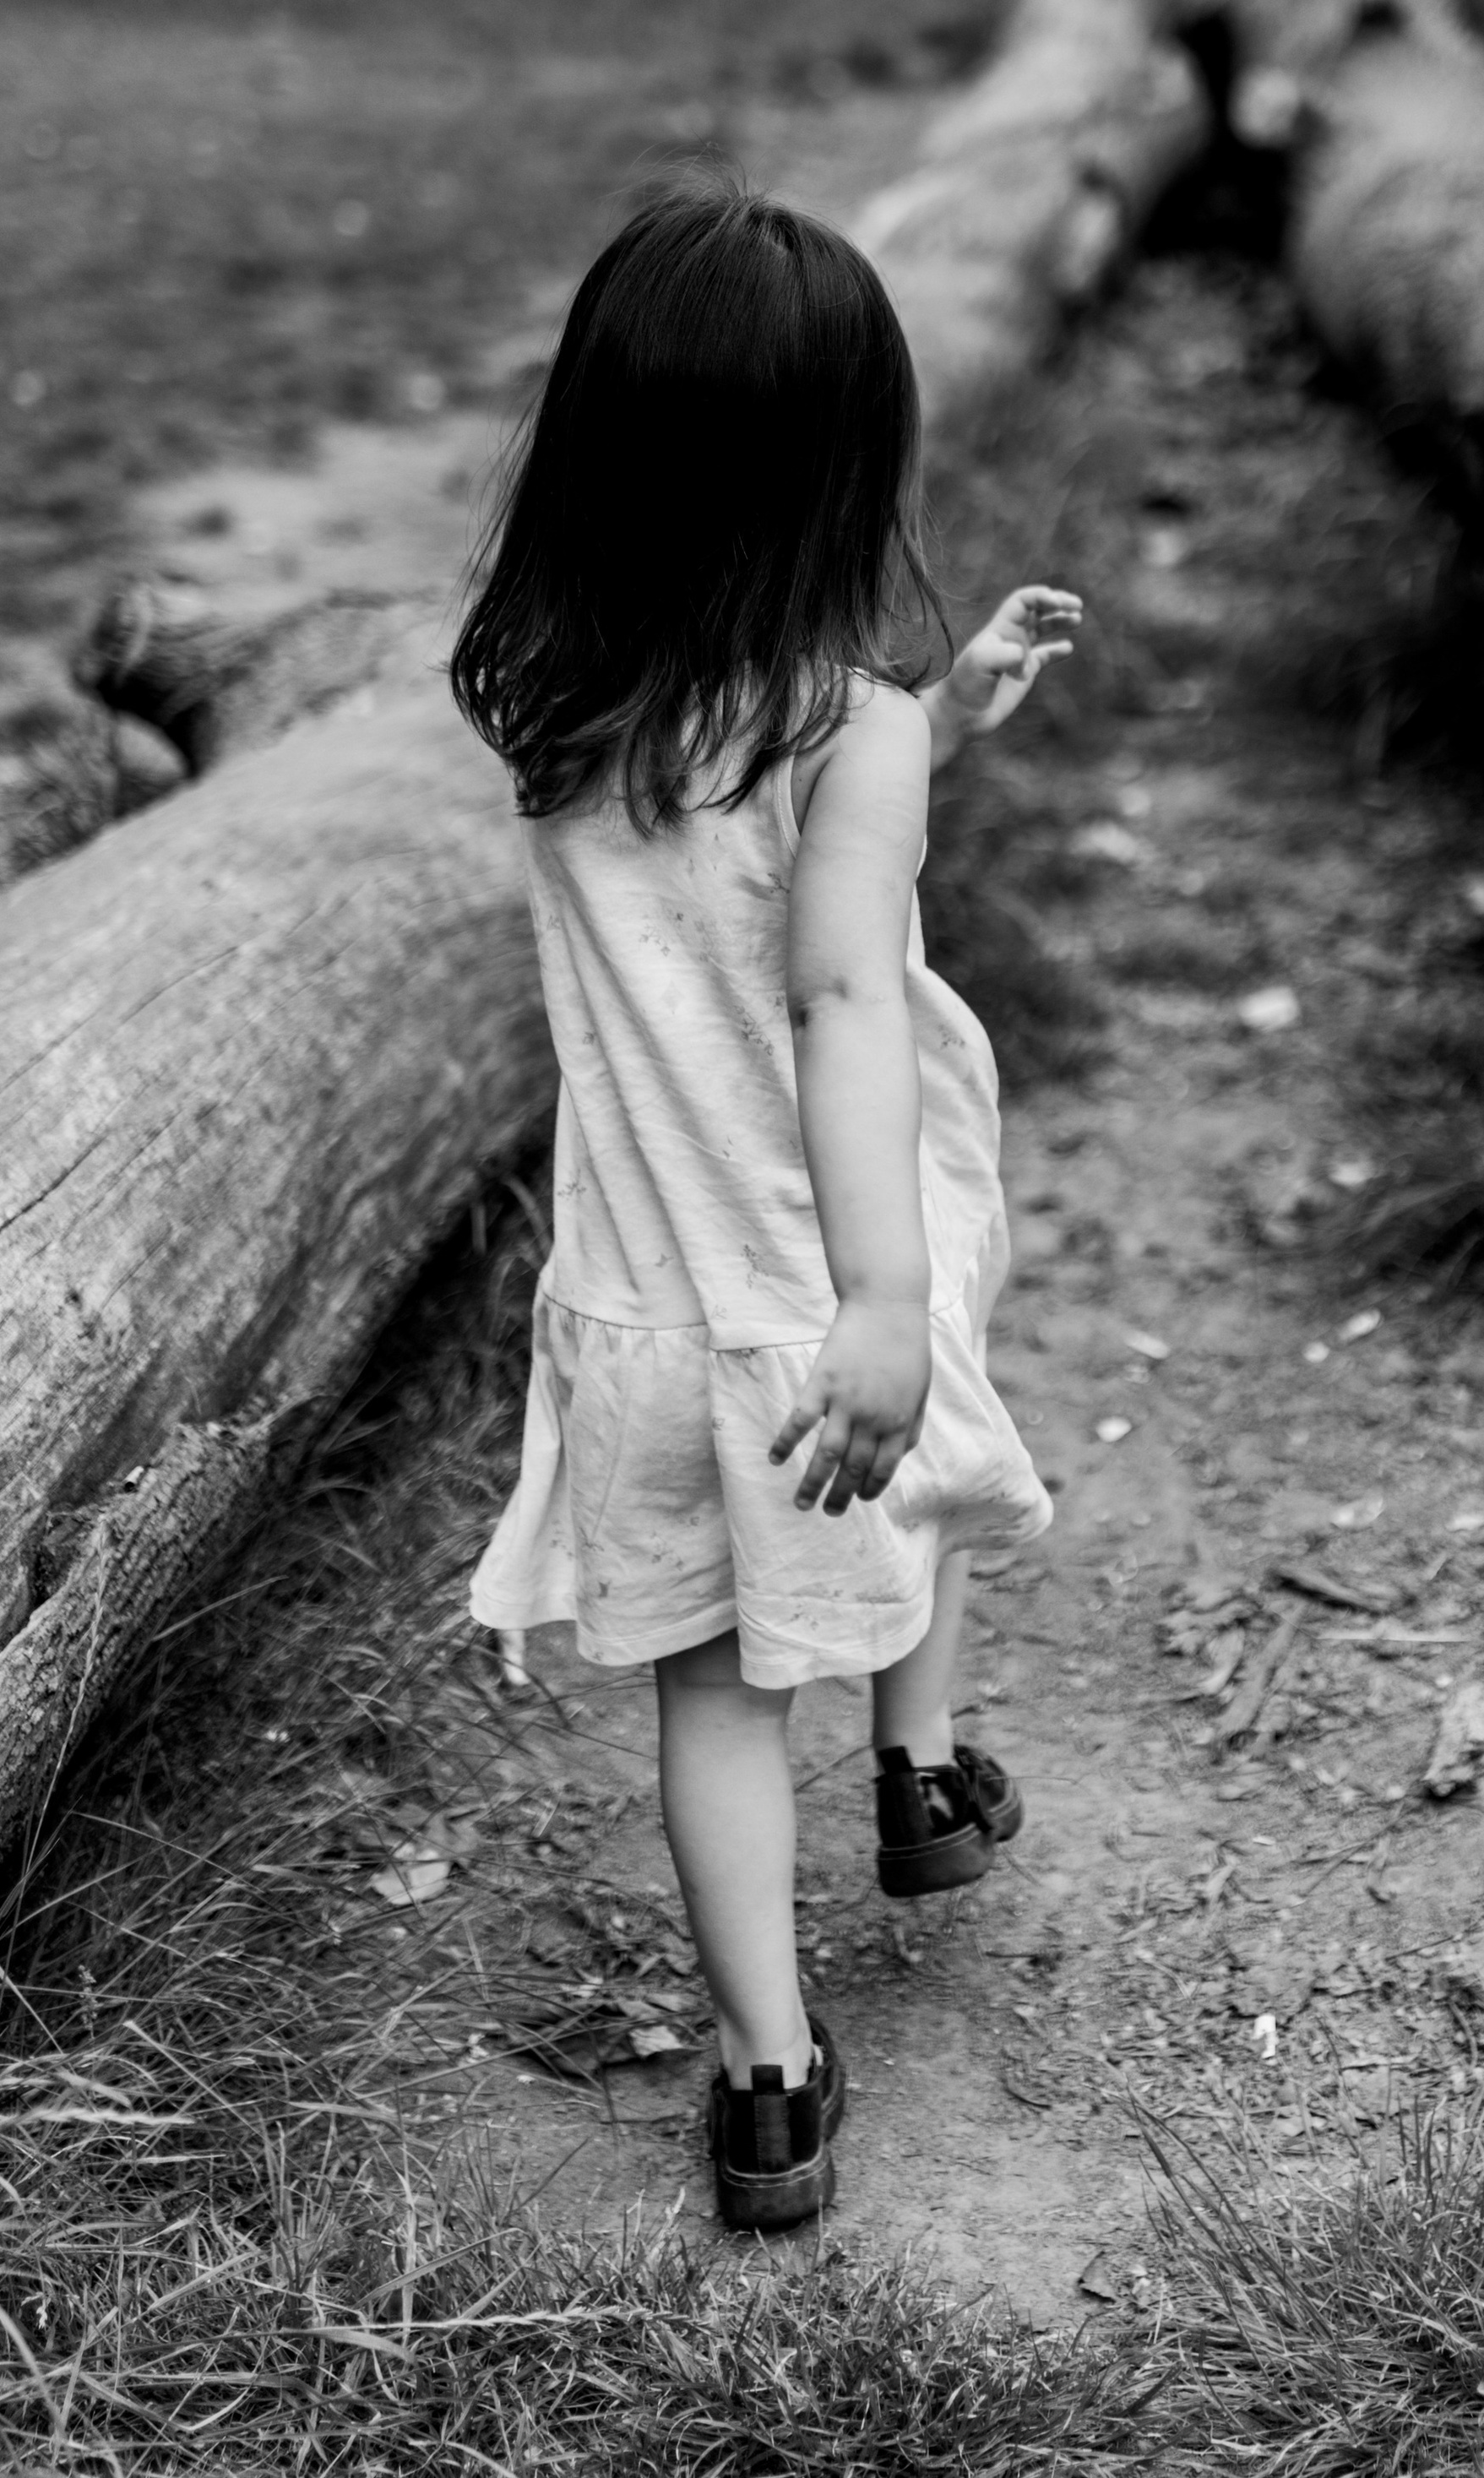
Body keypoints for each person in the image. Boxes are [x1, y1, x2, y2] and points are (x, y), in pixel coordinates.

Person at [451, 183, 1065, 2230]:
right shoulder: (844, 723)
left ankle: (770, 2080)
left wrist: (943, 722)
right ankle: (919, 1754)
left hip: (643, 1302)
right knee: (939, 1451)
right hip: (825, 1267)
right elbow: (824, 971)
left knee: (712, 1700)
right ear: (841, 466)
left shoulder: (556, 704)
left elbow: (735, 880)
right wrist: (884, 1289)